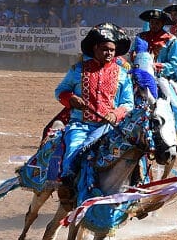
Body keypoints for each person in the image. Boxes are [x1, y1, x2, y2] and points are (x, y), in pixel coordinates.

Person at [53, 24, 134, 198]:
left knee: (133, 154)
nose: (109, 54)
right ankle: (68, 188)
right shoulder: (77, 70)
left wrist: (114, 114)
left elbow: (128, 103)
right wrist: (71, 99)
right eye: (105, 49)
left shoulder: (122, 74)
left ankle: (136, 186)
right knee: (74, 151)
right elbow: (60, 91)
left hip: (110, 128)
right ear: (95, 48)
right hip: (80, 126)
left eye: (112, 50)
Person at [138, 9, 177, 81]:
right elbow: (133, 52)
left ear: (162, 24)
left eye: (157, 23)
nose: (154, 25)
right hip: (140, 75)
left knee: (167, 92)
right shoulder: (141, 37)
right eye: (152, 22)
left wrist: (157, 66)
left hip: (161, 77)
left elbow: (173, 65)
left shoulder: (173, 41)